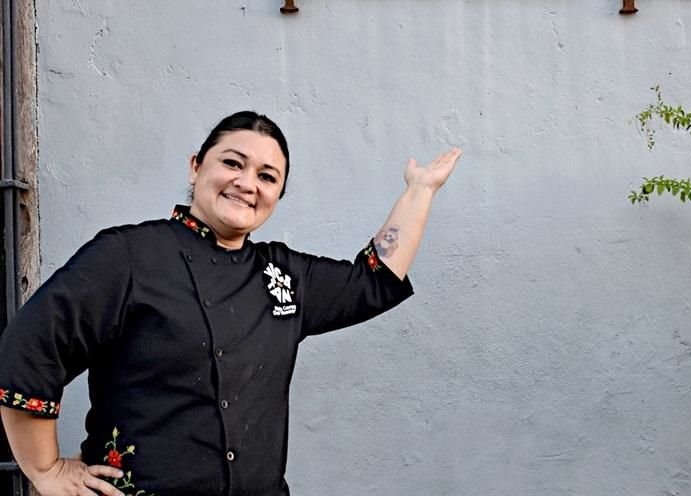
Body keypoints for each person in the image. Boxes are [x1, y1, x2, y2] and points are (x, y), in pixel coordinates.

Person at [0, 111, 461, 496]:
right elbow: (32, 343)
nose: (247, 183)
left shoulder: (283, 276)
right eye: (232, 163)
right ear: (195, 166)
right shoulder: (128, 256)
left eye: (266, 176)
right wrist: (45, 468)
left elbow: (372, 281)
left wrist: (419, 191)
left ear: (278, 195)